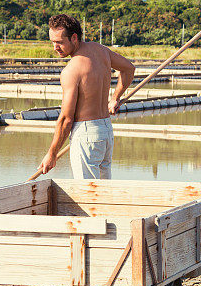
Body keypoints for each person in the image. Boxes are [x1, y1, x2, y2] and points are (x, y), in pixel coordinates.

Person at [37, 14, 135, 179]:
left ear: (74, 37)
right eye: (52, 42)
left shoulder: (71, 71)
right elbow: (128, 69)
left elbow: (66, 119)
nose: (55, 47)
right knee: (102, 192)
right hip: (105, 131)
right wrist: (115, 98)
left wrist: (52, 154)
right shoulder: (101, 51)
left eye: (59, 42)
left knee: (87, 194)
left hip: (87, 134)